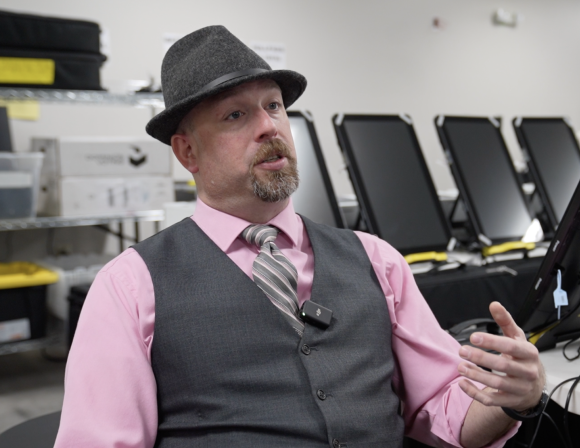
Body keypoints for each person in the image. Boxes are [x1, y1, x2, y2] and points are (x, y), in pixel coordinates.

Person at [55, 25, 546, 448]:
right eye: (236, 115)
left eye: (273, 106)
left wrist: (511, 400)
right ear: (188, 153)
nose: (270, 126)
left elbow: (445, 414)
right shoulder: (131, 285)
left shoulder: (377, 261)